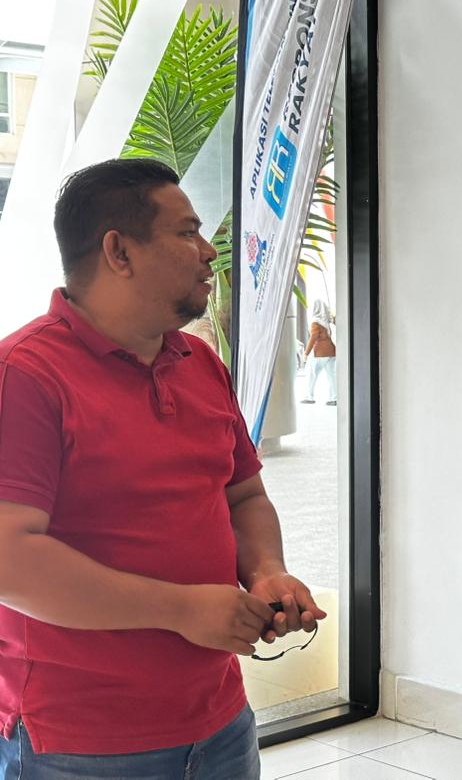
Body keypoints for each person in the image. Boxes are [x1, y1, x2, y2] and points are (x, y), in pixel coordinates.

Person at [0, 158, 326, 778]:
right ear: (119, 252)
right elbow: (9, 559)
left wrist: (266, 572)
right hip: (80, 743)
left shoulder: (200, 362)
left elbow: (243, 496)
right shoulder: (25, 374)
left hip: (221, 723)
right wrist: (182, 609)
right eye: (187, 232)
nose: (209, 251)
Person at [301, 299, 337, 406]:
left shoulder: (315, 322)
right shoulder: (326, 321)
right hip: (331, 351)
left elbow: (313, 338)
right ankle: (334, 398)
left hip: (320, 352)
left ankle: (309, 397)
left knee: (311, 373)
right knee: (332, 375)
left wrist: (306, 353)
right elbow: (335, 321)